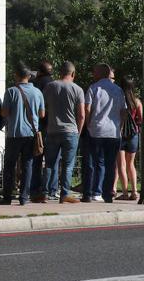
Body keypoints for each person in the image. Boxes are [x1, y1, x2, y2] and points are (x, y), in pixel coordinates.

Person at [0, 62, 45, 206]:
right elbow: (42, 114)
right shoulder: (38, 92)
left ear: (16, 75)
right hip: (31, 134)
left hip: (15, 134)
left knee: (10, 166)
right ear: (29, 76)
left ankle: (7, 197)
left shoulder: (11, 91)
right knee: (27, 165)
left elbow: (4, 112)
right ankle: (24, 197)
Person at [41, 61, 85, 204]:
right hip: (70, 131)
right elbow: (82, 115)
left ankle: (45, 193)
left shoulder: (50, 86)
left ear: (60, 72)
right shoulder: (77, 89)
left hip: (52, 130)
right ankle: (64, 194)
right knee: (68, 165)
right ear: (73, 74)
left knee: (49, 163)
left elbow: (43, 107)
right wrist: (78, 131)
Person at [83, 63, 126, 203]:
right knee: (111, 164)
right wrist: (119, 126)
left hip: (96, 130)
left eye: (94, 72)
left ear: (100, 73)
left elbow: (88, 109)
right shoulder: (118, 90)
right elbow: (123, 111)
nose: (93, 74)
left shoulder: (93, 88)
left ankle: (96, 191)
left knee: (97, 163)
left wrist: (88, 124)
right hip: (113, 131)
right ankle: (108, 193)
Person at [113, 76, 141, 201]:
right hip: (134, 135)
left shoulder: (119, 100)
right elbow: (140, 119)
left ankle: (124, 193)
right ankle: (134, 191)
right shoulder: (137, 101)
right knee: (131, 164)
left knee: (121, 165)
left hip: (121, 134)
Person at [31, 61, 53, 202]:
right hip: (52, 126)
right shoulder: (54, 84)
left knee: (36, 158)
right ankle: (50, 189)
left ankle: (34, 187)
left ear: (39, 72)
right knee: (51, 160)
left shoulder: (35, 84)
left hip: (37, 125)